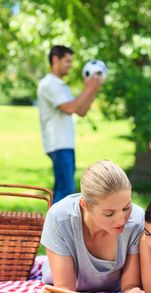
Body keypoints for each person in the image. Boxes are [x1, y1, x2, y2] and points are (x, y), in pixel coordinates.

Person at [40, 160, 149, 293]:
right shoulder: (60, 218)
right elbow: (67, 289)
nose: (121, 220)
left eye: (126, 208)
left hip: (113, 289)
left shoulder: (137, 220)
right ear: (84, 204)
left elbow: (129, 286)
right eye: (109, 213)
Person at [37, 45, 101, 203]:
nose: (71, 65)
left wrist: (93, 90)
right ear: (55, 60)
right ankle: (56, 226)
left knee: (62, 188)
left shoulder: (62, 86)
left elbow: (81, 111)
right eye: (68, 61)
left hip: (66, 144)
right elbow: (69, 108)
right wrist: (87, 88)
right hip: (57, 144)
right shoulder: (48, 84)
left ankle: (53, 225)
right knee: (65, 190)